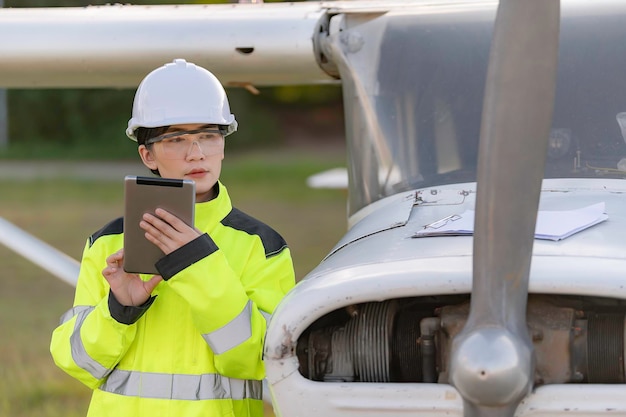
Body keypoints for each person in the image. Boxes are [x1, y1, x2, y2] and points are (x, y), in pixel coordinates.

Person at [50, 58, 296, 417]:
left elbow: (258, 360)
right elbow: (78, 363)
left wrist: (198, 264)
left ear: (223, 145)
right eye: (176, 139)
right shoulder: (106, 244)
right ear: (147, 154)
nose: (196, 153)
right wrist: (119, 310)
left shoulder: (262, 247)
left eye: (209, 136)